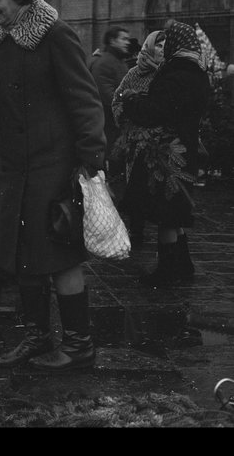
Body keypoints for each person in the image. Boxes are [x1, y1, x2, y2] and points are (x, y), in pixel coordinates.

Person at [0, 0, 106, 371]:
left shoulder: (55, 34)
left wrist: (91, 161)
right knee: (21, 256)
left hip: (53, 166)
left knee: (59, 256)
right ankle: (36, 337)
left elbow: (85, 100)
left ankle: (79, 346)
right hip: (12, 168)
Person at [121, 21, 210, 286]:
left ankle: (167, 273)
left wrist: (131, 100)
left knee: (166, 214)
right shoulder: (198, 72)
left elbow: (155, 111)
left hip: (167, 152)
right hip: (186, 147)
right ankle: (183, 266)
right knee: (176, 211)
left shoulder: (175, 73)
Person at [112, 30, 166, 248]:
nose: (163, 49)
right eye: (159, 45)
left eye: (166, 45)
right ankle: (137, 229)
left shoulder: (166, 73)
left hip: (160, 140)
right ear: (150, 47)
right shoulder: (134, 72)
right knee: (135, 184)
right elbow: (117, 99)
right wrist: (126, 119)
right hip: (135, 139)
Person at [89, 25, 131, 178]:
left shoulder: (119, 62)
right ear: (112, 41)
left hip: (118, 126)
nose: (127, 42)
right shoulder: (105, 63)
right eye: (123, 39)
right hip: (109, 127)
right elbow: (108, 97)